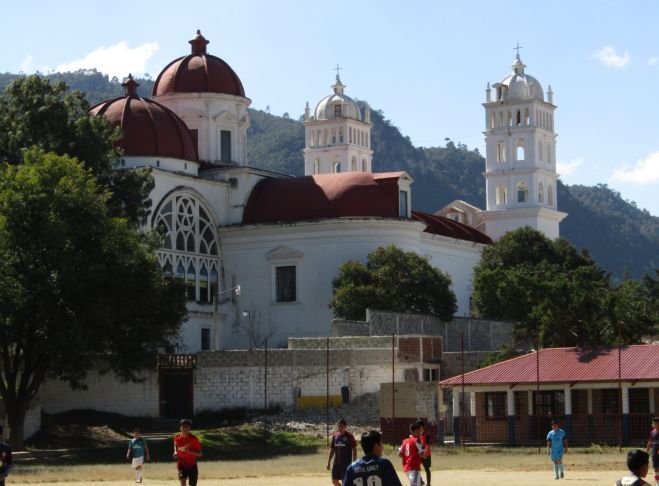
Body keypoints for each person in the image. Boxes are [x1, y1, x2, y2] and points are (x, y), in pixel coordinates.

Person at [327, 418, 357, 486]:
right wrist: (328, 462)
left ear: (345, 427)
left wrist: (354, 462)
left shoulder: (349, 436)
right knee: (334, 481)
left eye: (341, 426)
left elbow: (354, 449)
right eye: (339, 426)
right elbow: (332, 450)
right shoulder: (335, 436)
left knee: (345, 482)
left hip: (346, 464)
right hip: (336, 463)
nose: (340, 427)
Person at [173, 418, 203, 486]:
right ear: (180, 428)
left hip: (192, 465)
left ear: (189, 428)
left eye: (187, 427)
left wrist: (188, 451)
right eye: (183, 426)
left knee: (192, 484)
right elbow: (175, 446)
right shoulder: (176, 438)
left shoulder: (194, 439)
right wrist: (175, 453)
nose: (185, 428)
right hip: (181, 465)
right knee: (182, 483)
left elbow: (200, 454)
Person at [399, 422, 425, 486]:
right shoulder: (417, 441)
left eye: (420, 431)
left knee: (416, 483)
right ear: (412, 432)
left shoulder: (404, 441)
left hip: (406, 468)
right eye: (417, 431)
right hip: (414, 467)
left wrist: (408, 457)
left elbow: (399, 454)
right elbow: (422, 454)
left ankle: (419, 481)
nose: (419, 433)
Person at [415, 420, 432, 486]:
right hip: (421, 455)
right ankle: (421, 481)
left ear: (421, 427)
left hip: (426, 455)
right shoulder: (419, 436)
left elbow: (428, 446)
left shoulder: (426, 435)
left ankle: (428, 484)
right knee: (416, 467)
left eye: (418, 426)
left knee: (427, 469)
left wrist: (425, 454)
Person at [646, 417, 659, 486]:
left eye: (654, 423)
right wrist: (647, 451)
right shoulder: (652, 432)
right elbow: (650, 441)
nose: (652, 425)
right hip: (654, 451)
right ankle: (657, 482)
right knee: (655, 466)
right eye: (652, 423)